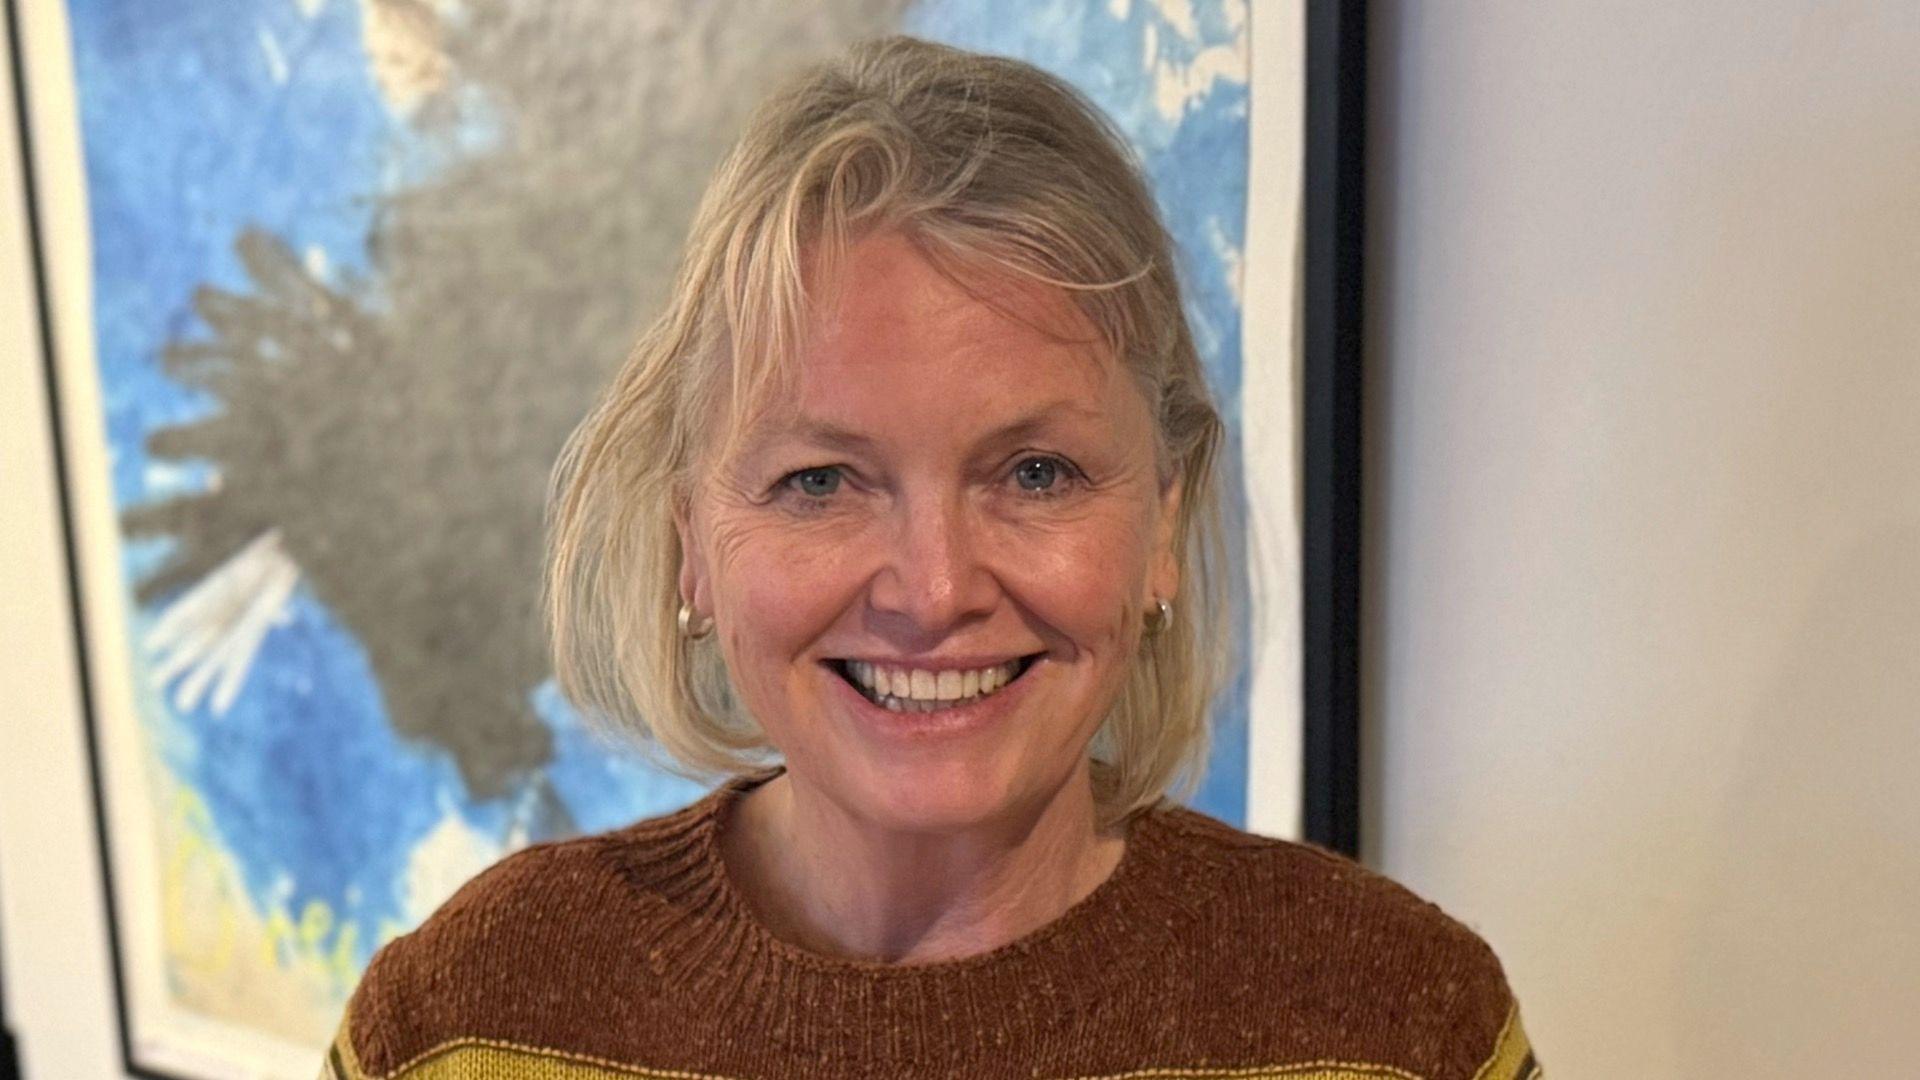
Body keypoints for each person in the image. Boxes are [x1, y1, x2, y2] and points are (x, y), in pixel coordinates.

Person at [321, 35, 1541, 1080]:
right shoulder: (468, 1024)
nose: (936, 589)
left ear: (1163, 522)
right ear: (692, 540)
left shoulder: (1395, 1029)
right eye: (819, 482)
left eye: (1037, 474)